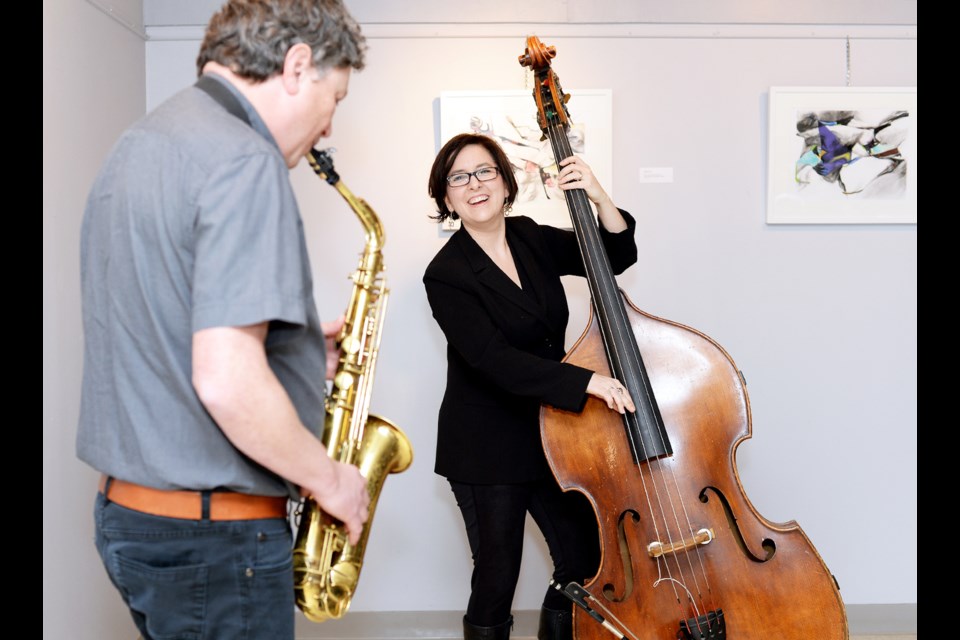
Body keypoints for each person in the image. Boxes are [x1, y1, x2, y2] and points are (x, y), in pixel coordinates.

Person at [75, 1, 371, 638]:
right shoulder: (244, 158)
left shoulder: (142, 143)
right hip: (214, 536)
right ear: (297, 67)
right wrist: (330, 482)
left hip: (134, 519)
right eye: (336, 97)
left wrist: (288, 350)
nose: (326, 129)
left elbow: (159, 325)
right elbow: (226, 382)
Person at [422, 133, 638, 640]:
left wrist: (599, 195)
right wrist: (589, 382)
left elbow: (613, 256)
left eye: (484, 172)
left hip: (549, 432)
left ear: (504, 181)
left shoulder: (530, 236)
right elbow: (495, 361)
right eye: (458, 177)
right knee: (498, 576)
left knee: (584, 559)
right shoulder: (446, 273)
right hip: (485, 445)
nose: (474, 185)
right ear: (446, 197)